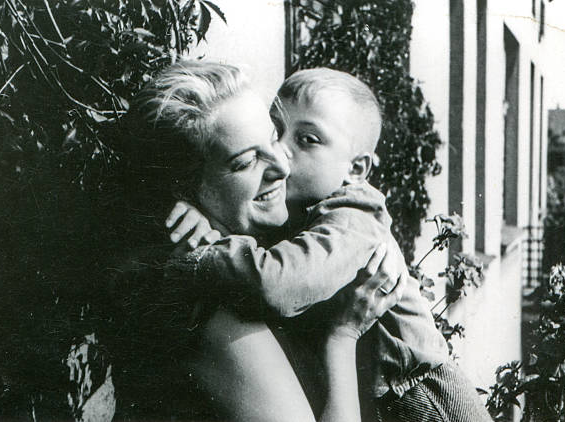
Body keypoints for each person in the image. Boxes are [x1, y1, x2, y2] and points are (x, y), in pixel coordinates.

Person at [168, 68, 493, 422]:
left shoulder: (352, 216)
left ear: (356, 169)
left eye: (307, 139)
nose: (282, 152)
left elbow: (279, 283)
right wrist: (202, 220)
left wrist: (206, 252)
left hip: (424, 396)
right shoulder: (300, 208)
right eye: (278, 130)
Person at [109, 61, 405, 422]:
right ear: (185, 186)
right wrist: (343, 336)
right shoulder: (213, 307)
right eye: (246, 162)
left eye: (270, 138)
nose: (282, 165)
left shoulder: (236, 255)